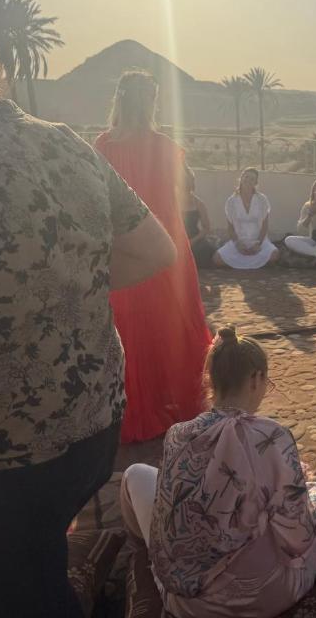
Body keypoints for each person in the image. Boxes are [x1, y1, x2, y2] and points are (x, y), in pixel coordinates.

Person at [0, 0, 176, 614]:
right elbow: (154, 249)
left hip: (5, 458)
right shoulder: (59, 141)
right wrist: (52, 288)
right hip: (94, 427)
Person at [119, 328, 316, 618]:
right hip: (261, 597)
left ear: (212, 379)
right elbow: (299, 535)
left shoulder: (178, 434)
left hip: (184, 602)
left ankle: (136, 555)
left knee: (136, 474)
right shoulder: (272, 437)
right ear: (256, 378)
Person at [95, 70, 214, 443]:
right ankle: (179, 403)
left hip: (126, 249)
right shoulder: (165, 146)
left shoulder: (102, 146)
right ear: (152, 103)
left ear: (118, 100)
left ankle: (132, 408)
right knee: (173, 328)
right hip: (168, 246)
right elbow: (181, 193)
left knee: (129, 331)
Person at [213, 167, 279, 269]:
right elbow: (230, 228)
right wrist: (237, 244)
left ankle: (241, 263)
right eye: (246, 177)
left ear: (256, 182)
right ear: (241, 178)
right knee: (217, 258)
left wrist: (258, 244)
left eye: (252, 179)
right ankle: (254, 263)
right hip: (239, 242)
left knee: (274, 254)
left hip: (258, 241)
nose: (248, 180)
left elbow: (265, 226)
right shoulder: (231, 201)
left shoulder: (262, 199)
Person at [180, 165, 217, 268]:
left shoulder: (199, 203)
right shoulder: (172, 202)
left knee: (207, 251)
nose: (186, 184)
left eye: (188, 180)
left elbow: (206, 228)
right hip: (178, 239)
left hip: (195, 239)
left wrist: (192, 241)